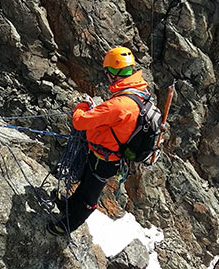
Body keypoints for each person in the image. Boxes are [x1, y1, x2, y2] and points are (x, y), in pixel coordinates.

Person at [48, 46, 150, 236]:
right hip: (108, 153)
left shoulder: (119, 104)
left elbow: (79, 122)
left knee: (89, 194)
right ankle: (69, 205)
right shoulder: (139, 91)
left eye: (107, 72)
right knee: (86, 181)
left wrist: (83, 106)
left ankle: (69, 225)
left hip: (105, 158)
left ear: (113, 73)